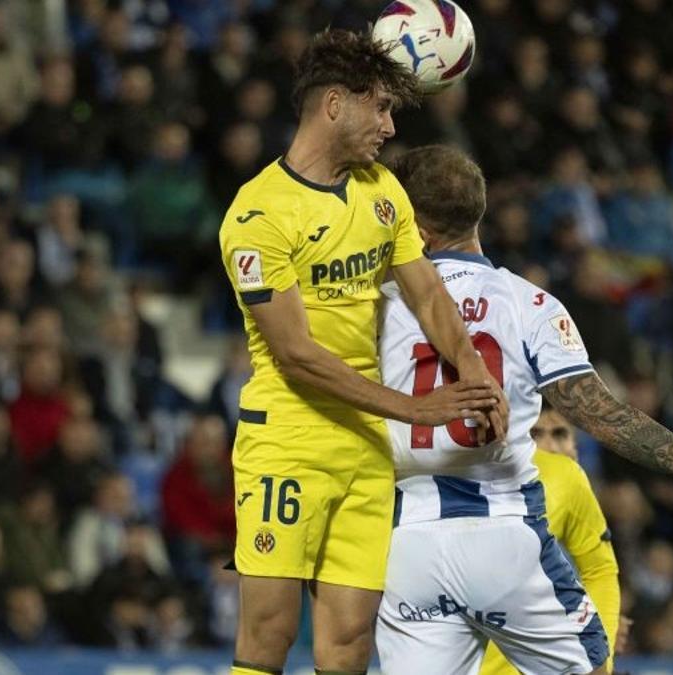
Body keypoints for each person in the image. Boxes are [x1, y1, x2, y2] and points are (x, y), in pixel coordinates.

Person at [375, 145, 673, 675]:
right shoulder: (529, 304)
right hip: (505, 538)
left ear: (417, 230)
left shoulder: (376, 306)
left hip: (408, 545)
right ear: (478, 212)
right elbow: (607, 418)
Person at [218, 30, 507, 675]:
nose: (388, 124)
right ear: (334, 106)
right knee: (266, 638)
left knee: (348, 643)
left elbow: (430, 294)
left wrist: (476, 372)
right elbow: (296, 355)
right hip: (288, 440)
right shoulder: (257, 215)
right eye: (378, 107)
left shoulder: (382, 192)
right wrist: (415, 409)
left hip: (364, 448)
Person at [481, 404, 623, 673]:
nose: (548, 446)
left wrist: (599, 656)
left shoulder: (566, 479)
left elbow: (600, 570)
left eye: (559, 434)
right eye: (535, 434)